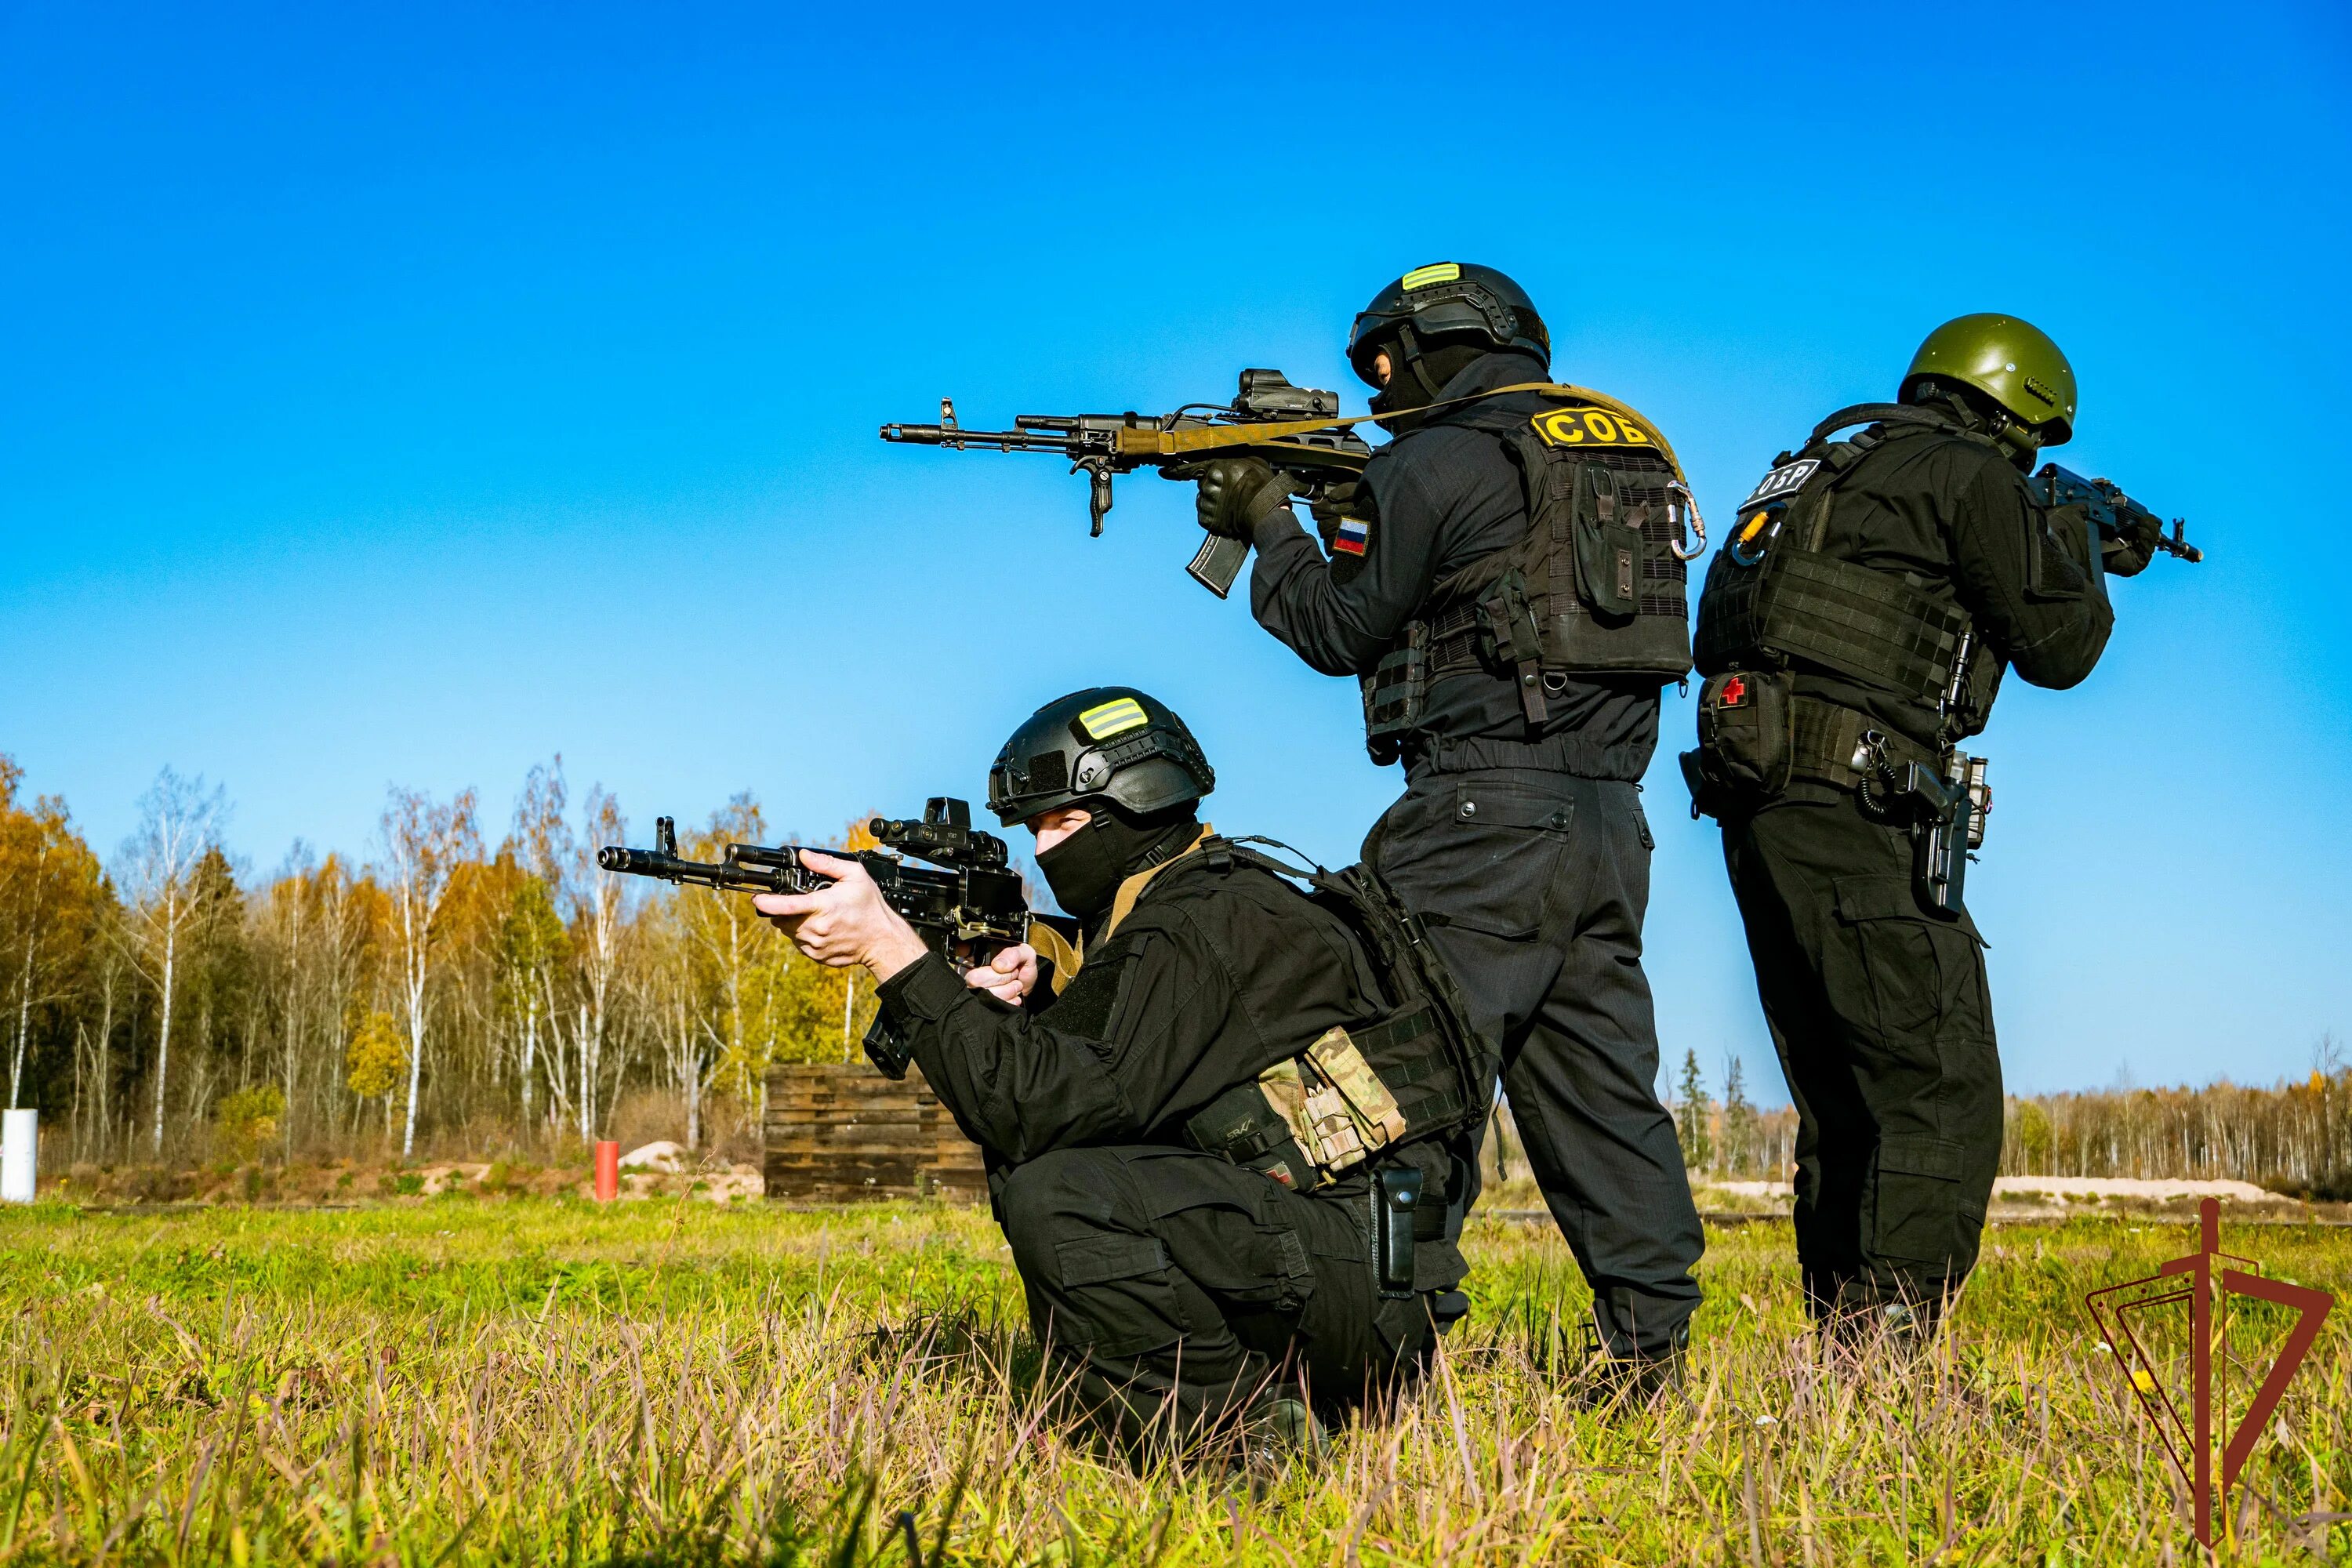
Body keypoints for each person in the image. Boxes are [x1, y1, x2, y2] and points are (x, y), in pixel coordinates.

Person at [1167, 263, 1705, 1392]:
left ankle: (1385, 1352)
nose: (1377, 381)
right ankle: (1652, 1355)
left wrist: (1267, 521)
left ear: (1420, 349)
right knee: (1604, 1093)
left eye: (1382, 360)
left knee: (1405, 1075)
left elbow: (1335, 627)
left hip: (1478, 820)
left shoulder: (1434, 457)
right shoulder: (1622, 450)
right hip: (1611, 820)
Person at [753, 687, 1492, 1456]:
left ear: (1133, 801)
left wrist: (893, 952)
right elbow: (1124, 1074)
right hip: (1356, 1269)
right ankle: (1224, 1390)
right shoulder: (1194, 903)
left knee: (1063, 1193)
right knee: (1062, 1170)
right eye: (1033, 827)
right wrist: (1039, 989)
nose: (1041, 850)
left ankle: (1241, 1443)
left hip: (1366, 1292)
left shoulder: (1204, 919)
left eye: (1062, 821)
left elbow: (1034, 1104)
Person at [1682, 314, 2147, 1341]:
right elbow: (2060, 647)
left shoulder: (1811, 468)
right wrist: (2081, 543)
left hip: (1758, 795)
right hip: (1862, 798)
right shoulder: (1966, 476)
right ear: (2018, 410)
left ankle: (1843, 1359)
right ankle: (1885, 1367)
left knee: (1849, 1091)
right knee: (1937, 1082)